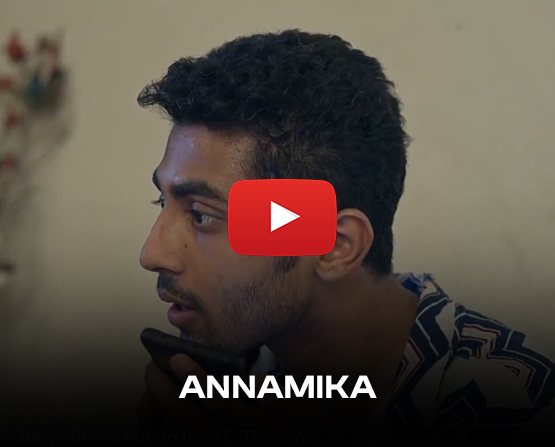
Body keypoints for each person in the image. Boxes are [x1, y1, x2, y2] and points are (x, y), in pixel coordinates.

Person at [136, 29, 555, 445]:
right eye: (162, 202)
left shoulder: (518, 407)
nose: (153, 254)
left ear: (335, 246)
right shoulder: (219, 382)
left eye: (202, 215)